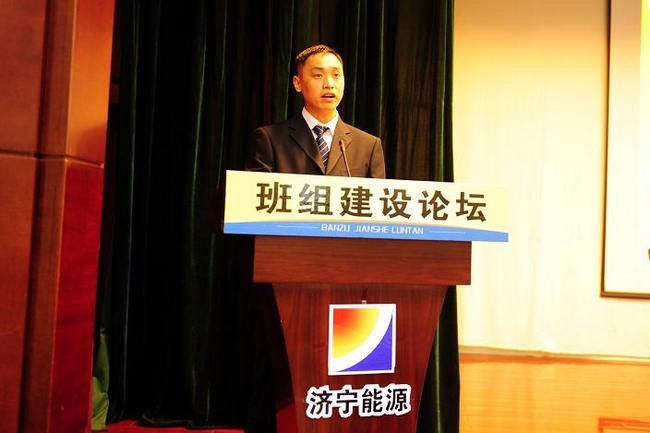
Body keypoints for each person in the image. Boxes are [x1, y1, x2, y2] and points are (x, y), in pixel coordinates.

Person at [245, 44, 386, 178]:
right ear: (298, 83)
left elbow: (376, 195)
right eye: (318, 75)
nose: (329, 84)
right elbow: (255, 192)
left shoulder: (369, 146)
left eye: (336, 75)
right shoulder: (270, 140)